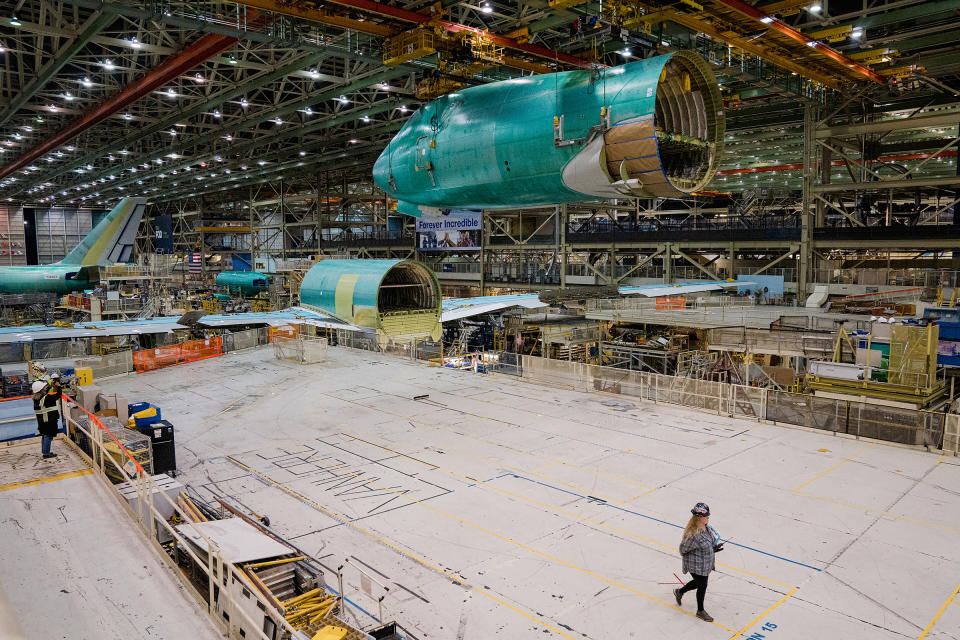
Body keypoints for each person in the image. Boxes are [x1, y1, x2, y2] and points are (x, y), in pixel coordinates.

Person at [674, 502, 724, 622]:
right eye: (706, 516)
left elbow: (707, 544)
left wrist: (714, 548)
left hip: (705, 563)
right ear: (700, 517)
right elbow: (682, 549)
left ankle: (679, 592)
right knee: (702, 585)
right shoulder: (693, 534)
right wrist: (694, 556)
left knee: (698, 583)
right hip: (696, 565)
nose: (708, 517)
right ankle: (700, 611)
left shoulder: (707, 528)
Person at [32, 375, 62, 459]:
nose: (45, 388)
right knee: (48, 436)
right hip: (49, 421)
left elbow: (45, 393)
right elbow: (58, 395)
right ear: (41, 390)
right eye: (44, 387)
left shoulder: (36, 399)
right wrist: (58, 386)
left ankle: (45, 451)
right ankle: (46, 453)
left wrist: (50, 386)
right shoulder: (47, 398)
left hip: (42, 422)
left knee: (45, 436)